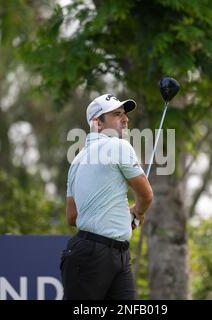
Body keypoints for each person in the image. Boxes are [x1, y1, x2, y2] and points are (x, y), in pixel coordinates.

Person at [60, 93, 153, 300]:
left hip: (112, 254)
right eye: (116, 114)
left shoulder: (76, 161)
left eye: (125, 114)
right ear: (98, 124)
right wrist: (137, 212)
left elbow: (72, 217)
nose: (125, 119)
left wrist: (115, 213)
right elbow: (146, 195)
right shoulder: (119, 146)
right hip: (97, 255)